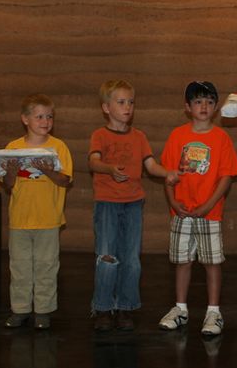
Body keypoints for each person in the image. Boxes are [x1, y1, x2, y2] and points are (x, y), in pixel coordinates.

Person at [89, 79, 179, 332]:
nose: (127, 107)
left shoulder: (139, 137)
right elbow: (94, 162)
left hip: (133, 204)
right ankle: (103, 307)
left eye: (131, 102)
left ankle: (126, 307)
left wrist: (166, 174)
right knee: (107, 257)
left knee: (131, 259)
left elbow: (150, 165)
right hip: (107, 203)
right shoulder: (100, 135)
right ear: (106, 108)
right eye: (121, 102)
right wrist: (109, 168)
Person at [158, 81, 237, 336]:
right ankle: (180, 308)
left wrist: (208, 205)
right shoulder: (177, 136)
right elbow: (168, 174)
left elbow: (226, 176)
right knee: (182, 261)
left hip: (210, 213)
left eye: (208, 102)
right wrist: (173, 201)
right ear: (187, 107)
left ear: (216, 107)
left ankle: (213, 313)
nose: (203, 106)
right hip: (182, 211)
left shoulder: (221, 138)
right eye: (197, 101)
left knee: (211, 262)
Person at [3, 94, 73, 330]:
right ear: (25, 119)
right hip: (20, 220)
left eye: (49, 116)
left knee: (46, 266)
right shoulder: (13, 147)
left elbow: (65, 181)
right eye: (39, 116)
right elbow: (8, 184)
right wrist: (11, 171)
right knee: (20, 267)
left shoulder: (58, 147)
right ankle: (20, 310)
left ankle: (43, 311)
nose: (45, 121)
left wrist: (48, 170)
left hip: (48, 219)